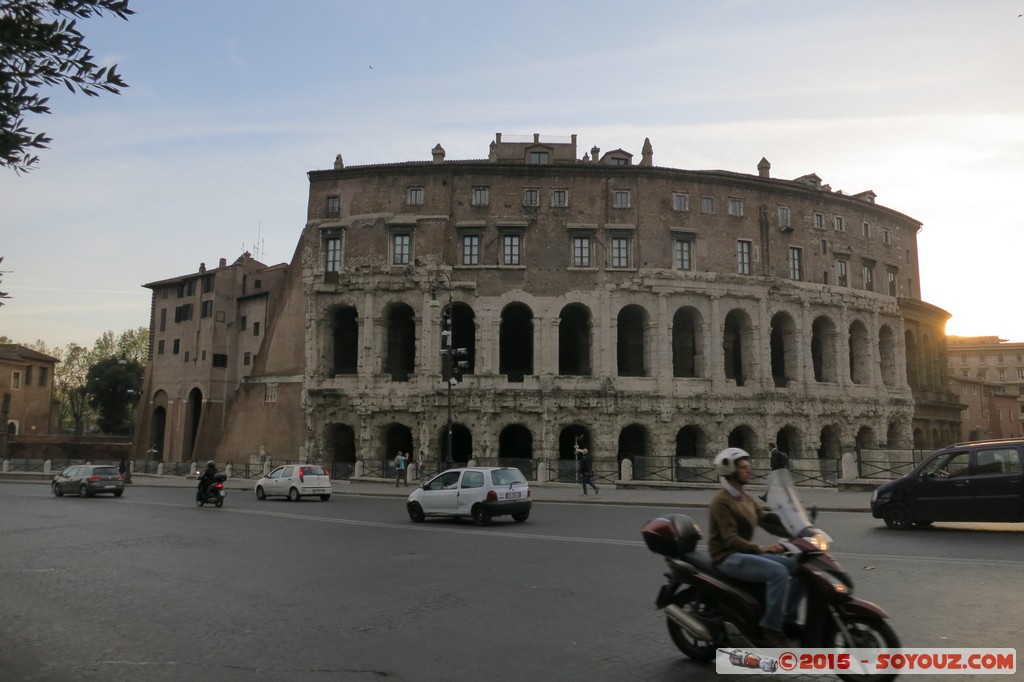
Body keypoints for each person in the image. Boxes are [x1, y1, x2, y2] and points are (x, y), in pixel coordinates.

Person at [708, 447, 801, 648]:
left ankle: (788, 619)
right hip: (727, 557)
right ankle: (771, 630)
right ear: (731, 471)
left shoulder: (746, 497)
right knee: (777, 572)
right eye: (743, 467)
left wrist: (797, 531)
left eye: (748, 466)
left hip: (743, 553)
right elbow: (730, 539)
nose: (749, 470)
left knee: (798, 565)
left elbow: (765, 521)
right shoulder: (721, 502)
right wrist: (762, 549)